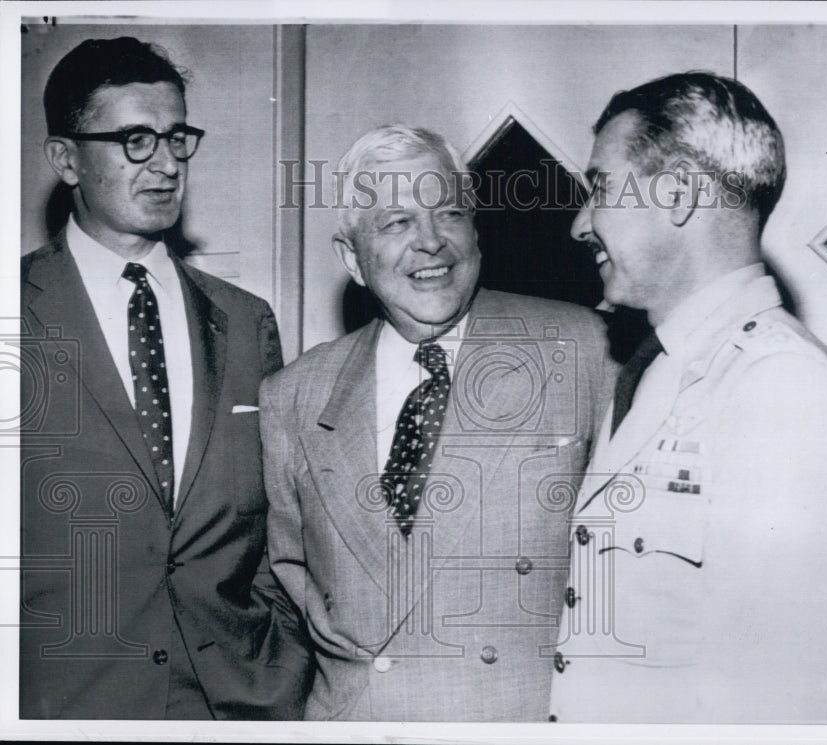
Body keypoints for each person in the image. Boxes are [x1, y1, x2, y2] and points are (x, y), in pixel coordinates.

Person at [260, 124, 615, 721]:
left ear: (475, 231)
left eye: (449, 213)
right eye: (396, 222)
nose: (431, 243)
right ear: (352, 258)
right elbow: (288, 576)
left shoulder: (582, 349)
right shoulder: (294, 395)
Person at [547, 72, 827, 722]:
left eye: (601, 186)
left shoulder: (780, 384)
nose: (582, 222)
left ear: (680, 194)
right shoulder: (655, 366)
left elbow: (793, 704)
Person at [20, 37, 313, 719]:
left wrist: (282, 663)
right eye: (134, 140)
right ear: (66, 158)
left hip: (239, 705)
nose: (166, 164)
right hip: (67, 706)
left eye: (176, 138)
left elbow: (279, 522)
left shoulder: (247, 322)